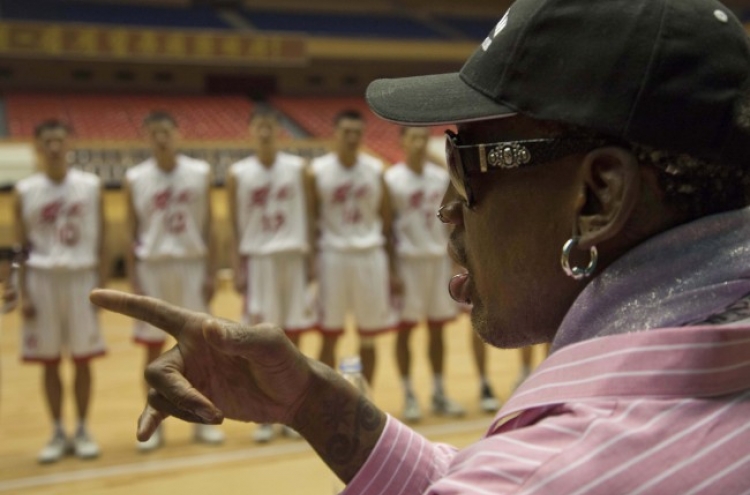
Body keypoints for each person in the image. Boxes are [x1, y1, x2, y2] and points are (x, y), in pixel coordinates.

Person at [92, 0, 750, 492]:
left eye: (467, 157)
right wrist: (314, 404)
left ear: (598, 196)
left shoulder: (546, 471)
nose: (445, 203)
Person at [124, 110, 224, 451]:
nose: (162, 138)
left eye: (167, 131)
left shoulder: (199, 173)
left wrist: (211, 270)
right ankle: (153, 419)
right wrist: (134, 276)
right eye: (154, 132)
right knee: (152, 349)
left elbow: (210, 224)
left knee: (199, 348)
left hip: (191, 265)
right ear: (146, 137)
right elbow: (131, 231)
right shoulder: (135, 177)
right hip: (153, 268)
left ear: (178, 134)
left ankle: (202, 419)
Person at [9, 120, 106, 463]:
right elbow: (18, 247)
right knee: (49, 362)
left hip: (82, 278)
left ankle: (82, 428)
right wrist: (22, 291)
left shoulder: (91, 186)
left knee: (82, 359)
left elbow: (103, 240)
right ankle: (56, 430)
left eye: (59, 140)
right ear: (37, 145)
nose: (53, 146)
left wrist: (102, 286)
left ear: (69, 144)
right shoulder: (24, 190)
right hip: (42, 279)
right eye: (46, 140)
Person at [227, 108, 315, 443]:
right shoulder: (238, 172)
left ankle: (292, 408)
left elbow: (309, 215)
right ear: (250, 131)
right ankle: (264, 412)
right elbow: (234, 224)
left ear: (279, 130)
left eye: (269, 126)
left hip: (292, 256)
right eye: (259, 126)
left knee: (294, 335)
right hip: (259, 259)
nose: (264, 131)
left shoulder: (297, 169)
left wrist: (311, 261)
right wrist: (237, 264)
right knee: (257, 340)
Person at [307, 109, 400, 384]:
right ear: (335, 134)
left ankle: (365, 400)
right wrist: (311, 263)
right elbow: (312, 221)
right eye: (346, 132)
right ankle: (324, 400)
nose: (351, 138)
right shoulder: (317, 171)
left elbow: (386, 222)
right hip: (332, 258)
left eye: (357, 132)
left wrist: (391, 268)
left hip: (369, 256)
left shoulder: (375, 169)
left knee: (369, 337)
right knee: (329, 334)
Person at [386, 126, 465, 421]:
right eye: (413, 138)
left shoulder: (440, 178)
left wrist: (456, 261)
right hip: (408, 262)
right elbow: (386, 227)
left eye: (423, 138)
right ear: (402, 142)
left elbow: (450, 223)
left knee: (437, 329)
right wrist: (392, 269)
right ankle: (408, 394)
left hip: (437, 261)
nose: (419, 143)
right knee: (405, 331)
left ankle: (439, 391)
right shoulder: (391, 179)